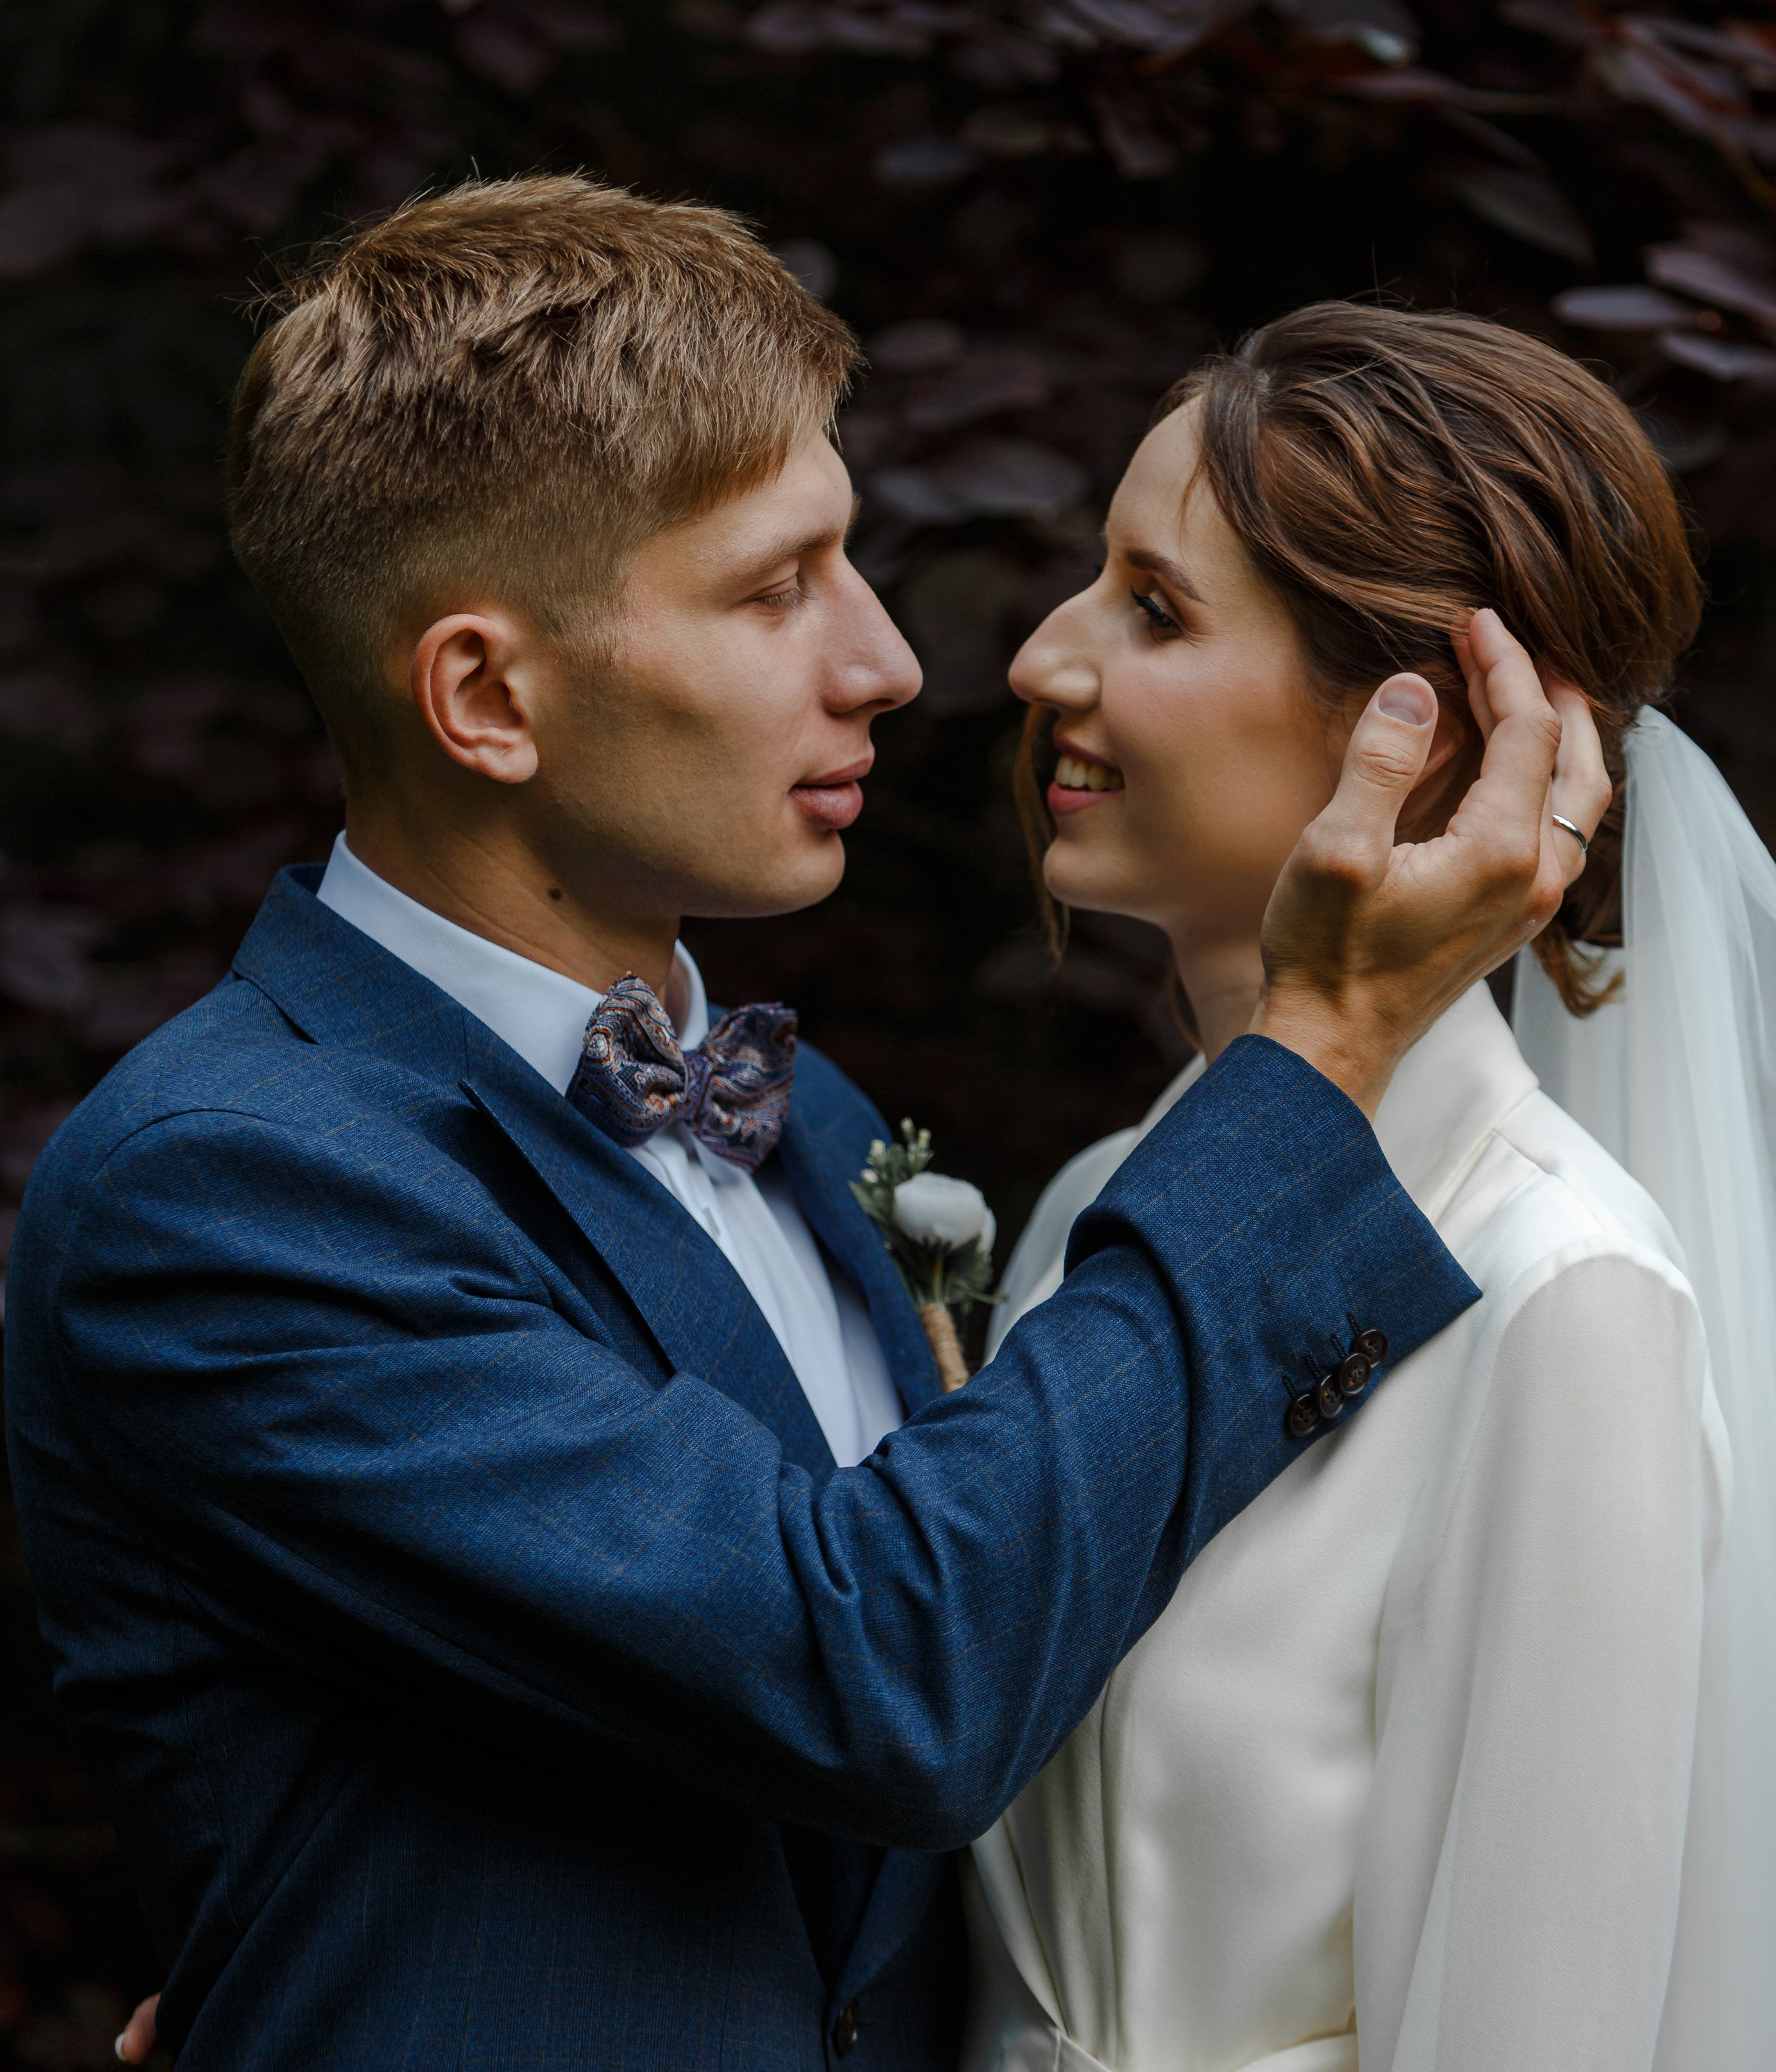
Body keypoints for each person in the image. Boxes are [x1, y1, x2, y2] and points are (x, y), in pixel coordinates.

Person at [3, 185, 1600, 2072]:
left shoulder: (813, 1118)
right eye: (774, 591)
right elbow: (887, 1672)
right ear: (486, 696)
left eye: (851, 563)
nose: (891, 666)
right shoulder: (231, 1186)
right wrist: (1323, 1049)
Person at [966, 301, 1770, 2072]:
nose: (1040, 659)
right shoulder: (1095, 1206)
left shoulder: (1560, 1302)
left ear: (1422, 726)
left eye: (1152, 608)